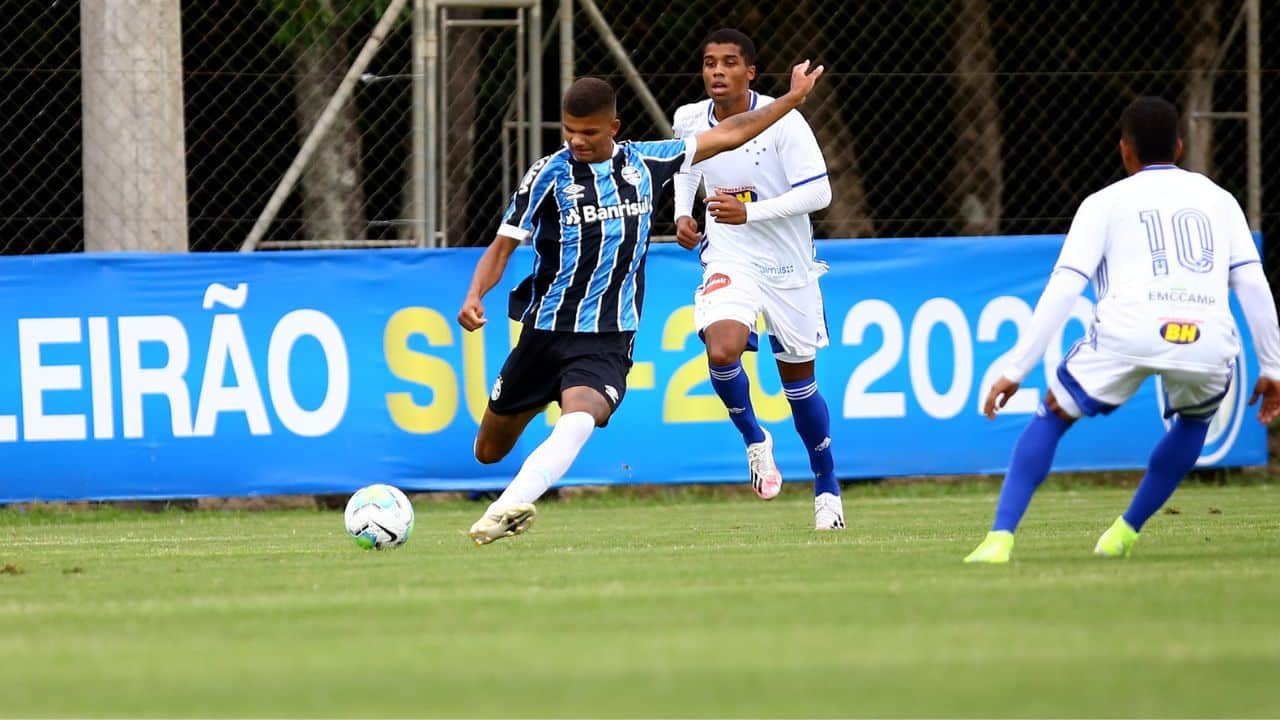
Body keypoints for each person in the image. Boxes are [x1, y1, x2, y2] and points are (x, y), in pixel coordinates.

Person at [457, 60, 826, 545]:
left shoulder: (646, 163)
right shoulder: (546, 175)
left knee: (581, 415)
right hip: (544, 334)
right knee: (488, 450)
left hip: (607, 339)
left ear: (614, 127)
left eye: (588, 132)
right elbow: (503, 245)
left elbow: (732, 132)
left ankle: (506, 509)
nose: (577, 141)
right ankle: (510, 483)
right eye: (569, 131)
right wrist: (473, 294)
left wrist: (791, 100)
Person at [964, 96, 1280, 563]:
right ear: (1178, 147)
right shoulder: (1221, 200)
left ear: (1124, 151)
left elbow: (1064, 287)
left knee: (1054, 411)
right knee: (1194, 422)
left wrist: (1016, 367)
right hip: (1206, 336)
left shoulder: (1104, 203)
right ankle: (1124, 533)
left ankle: (999, 539)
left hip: (1130, 329)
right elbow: (1253, 284)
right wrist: (1272, 365)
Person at [670, 29, 842, 530]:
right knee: (721, 350)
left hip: (788, 265)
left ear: (750, 72)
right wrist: (682, 212)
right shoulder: (688, 118)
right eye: (708, 63)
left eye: (728, 63)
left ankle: (826, 487)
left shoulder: (785, 122)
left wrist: (752, 212)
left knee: (800, 388)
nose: (717, 71)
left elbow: (821, 195)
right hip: (730, 254)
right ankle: (754, 438)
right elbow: (686, 165)